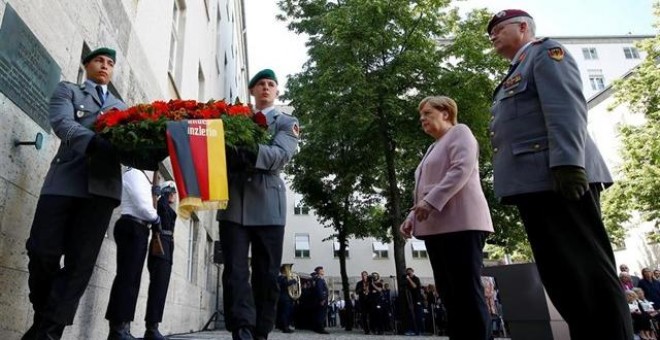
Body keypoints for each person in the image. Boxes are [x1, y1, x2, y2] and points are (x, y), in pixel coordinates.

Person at [487, 9, 633, 339]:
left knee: (588, 269)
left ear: (523, 27)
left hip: (558, 179)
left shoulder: (546, 53)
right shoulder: (518, 67)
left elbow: (565, 107)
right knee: (563, 276)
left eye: (498, 29)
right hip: (534, 185)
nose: (493, 35)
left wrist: (568, 164)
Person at [22, 47, 127, 340]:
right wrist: (94, 143)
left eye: (110, 63)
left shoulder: (123, 107)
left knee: (80, 264)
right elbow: (62, 123)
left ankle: (47, 333)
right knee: (42, 251)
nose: (105, 66)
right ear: (87, 65)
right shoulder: (68, 91)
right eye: (99, 61)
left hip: (102, 190)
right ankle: (45, 317)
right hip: (64, 181)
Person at [400, 95, 494, 340]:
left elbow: (460, 169)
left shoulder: (460, 132)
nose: (422, 119)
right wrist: (413, 217)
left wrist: (429, 202)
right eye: (421, 116)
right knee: (449, 293)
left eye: (427, 113)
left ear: (446, 113)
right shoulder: (433, 147)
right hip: (437, 228)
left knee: (465, 290)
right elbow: (424, 189)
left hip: (462, 223)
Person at [216, 68, 299, 340]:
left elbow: (281, 155)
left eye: (271, 84)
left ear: (276, 92)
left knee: (266, 273)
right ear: (251, 91)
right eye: (260, 84)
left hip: (268, 204)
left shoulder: (287, 122)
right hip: (235, 202)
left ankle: (261, 330)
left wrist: (250, 153)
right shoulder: (233, 120)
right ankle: (242, 328)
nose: (265, 87)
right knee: (235, 271)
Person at [105, 168, 161, 340]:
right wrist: (156, 218)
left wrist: (155, 196)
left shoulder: (144, 179)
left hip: (140, 229)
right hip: (132, 227)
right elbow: (143, 206)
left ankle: (124, 327)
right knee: (127, 279)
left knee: (133, 281)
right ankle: (117, 329)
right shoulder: (135, 173)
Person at [144, 180, 178, 339]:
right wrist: (157, 194)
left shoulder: (167, 207)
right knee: (158, 288)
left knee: (161, 288)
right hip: (160, 245)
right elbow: (156, 211)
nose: (174, 194)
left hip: (167, 247)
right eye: (171, 191)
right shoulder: (161, 204)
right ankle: (151, 328)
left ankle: (153, 326)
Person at [276, 264, 297, 333]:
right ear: (284, 271)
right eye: (288, 269)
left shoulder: (282, 278)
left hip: (285, 298)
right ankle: (285, 328)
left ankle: (282, 326)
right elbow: (285, 284)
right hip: (285, 298)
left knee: (284, 313)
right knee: (286, 313)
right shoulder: (281, 278)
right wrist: (293, 281)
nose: (290, 271)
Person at [312, 266, 330, 334]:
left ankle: (318, 328)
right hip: (322, 300)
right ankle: (321, 329)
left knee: (320, 314)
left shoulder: (319, 279)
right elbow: (319, 290)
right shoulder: (319, 280)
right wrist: (322, 299)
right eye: (321, 270)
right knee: (321, 315)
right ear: (319, 272)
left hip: (322, 299)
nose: (323, 271)